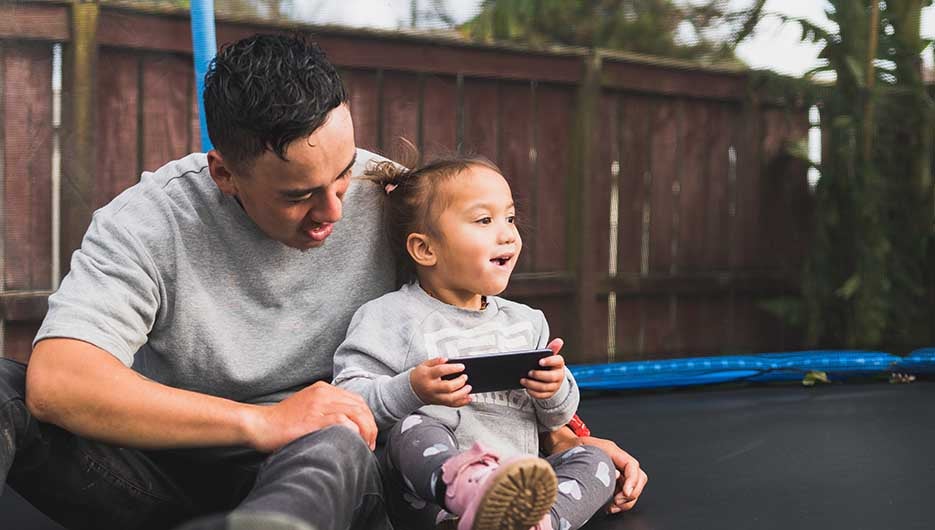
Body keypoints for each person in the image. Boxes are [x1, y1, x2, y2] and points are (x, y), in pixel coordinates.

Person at [0, 32, 645, 530]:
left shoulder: (387, 188)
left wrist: (568, 434)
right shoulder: (149, 221)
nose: (335, 211)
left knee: (338, 437)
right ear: (224, 174)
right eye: (300, 195)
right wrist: (261, 422)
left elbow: (471, 315)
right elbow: (59, 382)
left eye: (342, 175)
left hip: (319, 483)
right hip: (155, 477)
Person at [332, 156, 616, 530]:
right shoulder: (390, 317)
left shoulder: (526, 322)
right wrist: (410, 389)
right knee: (413, 428)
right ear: (425, 249)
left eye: (510, 218)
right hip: (428, 497)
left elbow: (556, 420)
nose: (507, 234)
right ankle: (467, 497)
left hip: (520, 483)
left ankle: (539, 521)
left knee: (597, 461)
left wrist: (554, 389)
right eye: (485, 220)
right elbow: (348, 401)